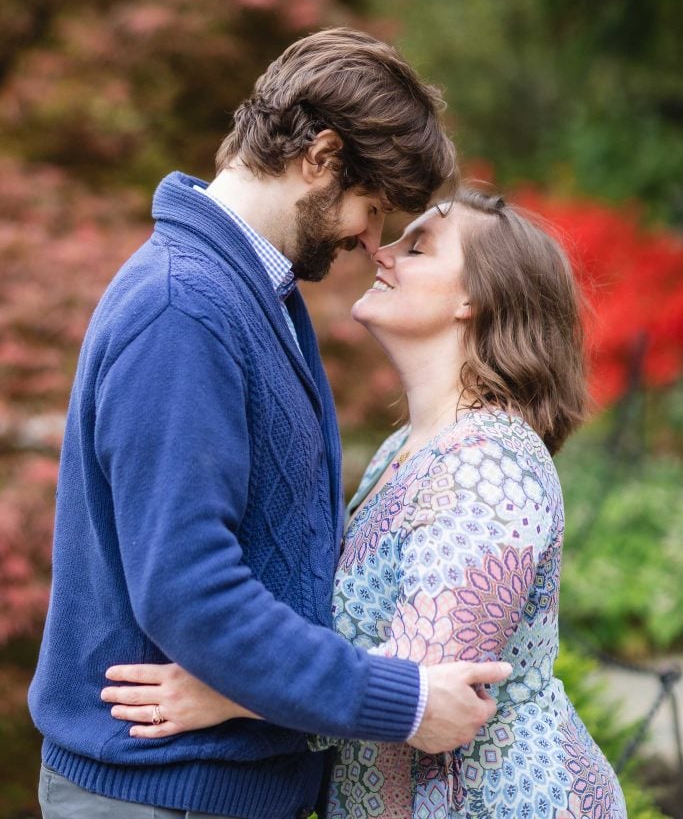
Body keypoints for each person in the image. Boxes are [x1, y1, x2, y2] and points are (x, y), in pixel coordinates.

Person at [29, 28, 512, 819]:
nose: (367, 240)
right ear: (319, 157)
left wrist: (253, 703)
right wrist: (403, 703)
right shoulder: (184, 307)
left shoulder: (257, 299)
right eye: (370, 207)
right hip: (160, 795)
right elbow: (192, 594)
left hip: (219, 787)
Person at [103, 188, 628, 818]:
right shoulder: (404, 449)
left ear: (475, 300)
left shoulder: (490, 463)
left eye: (420, 246)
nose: (383, 251)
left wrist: (227, 693)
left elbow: (425, 686)